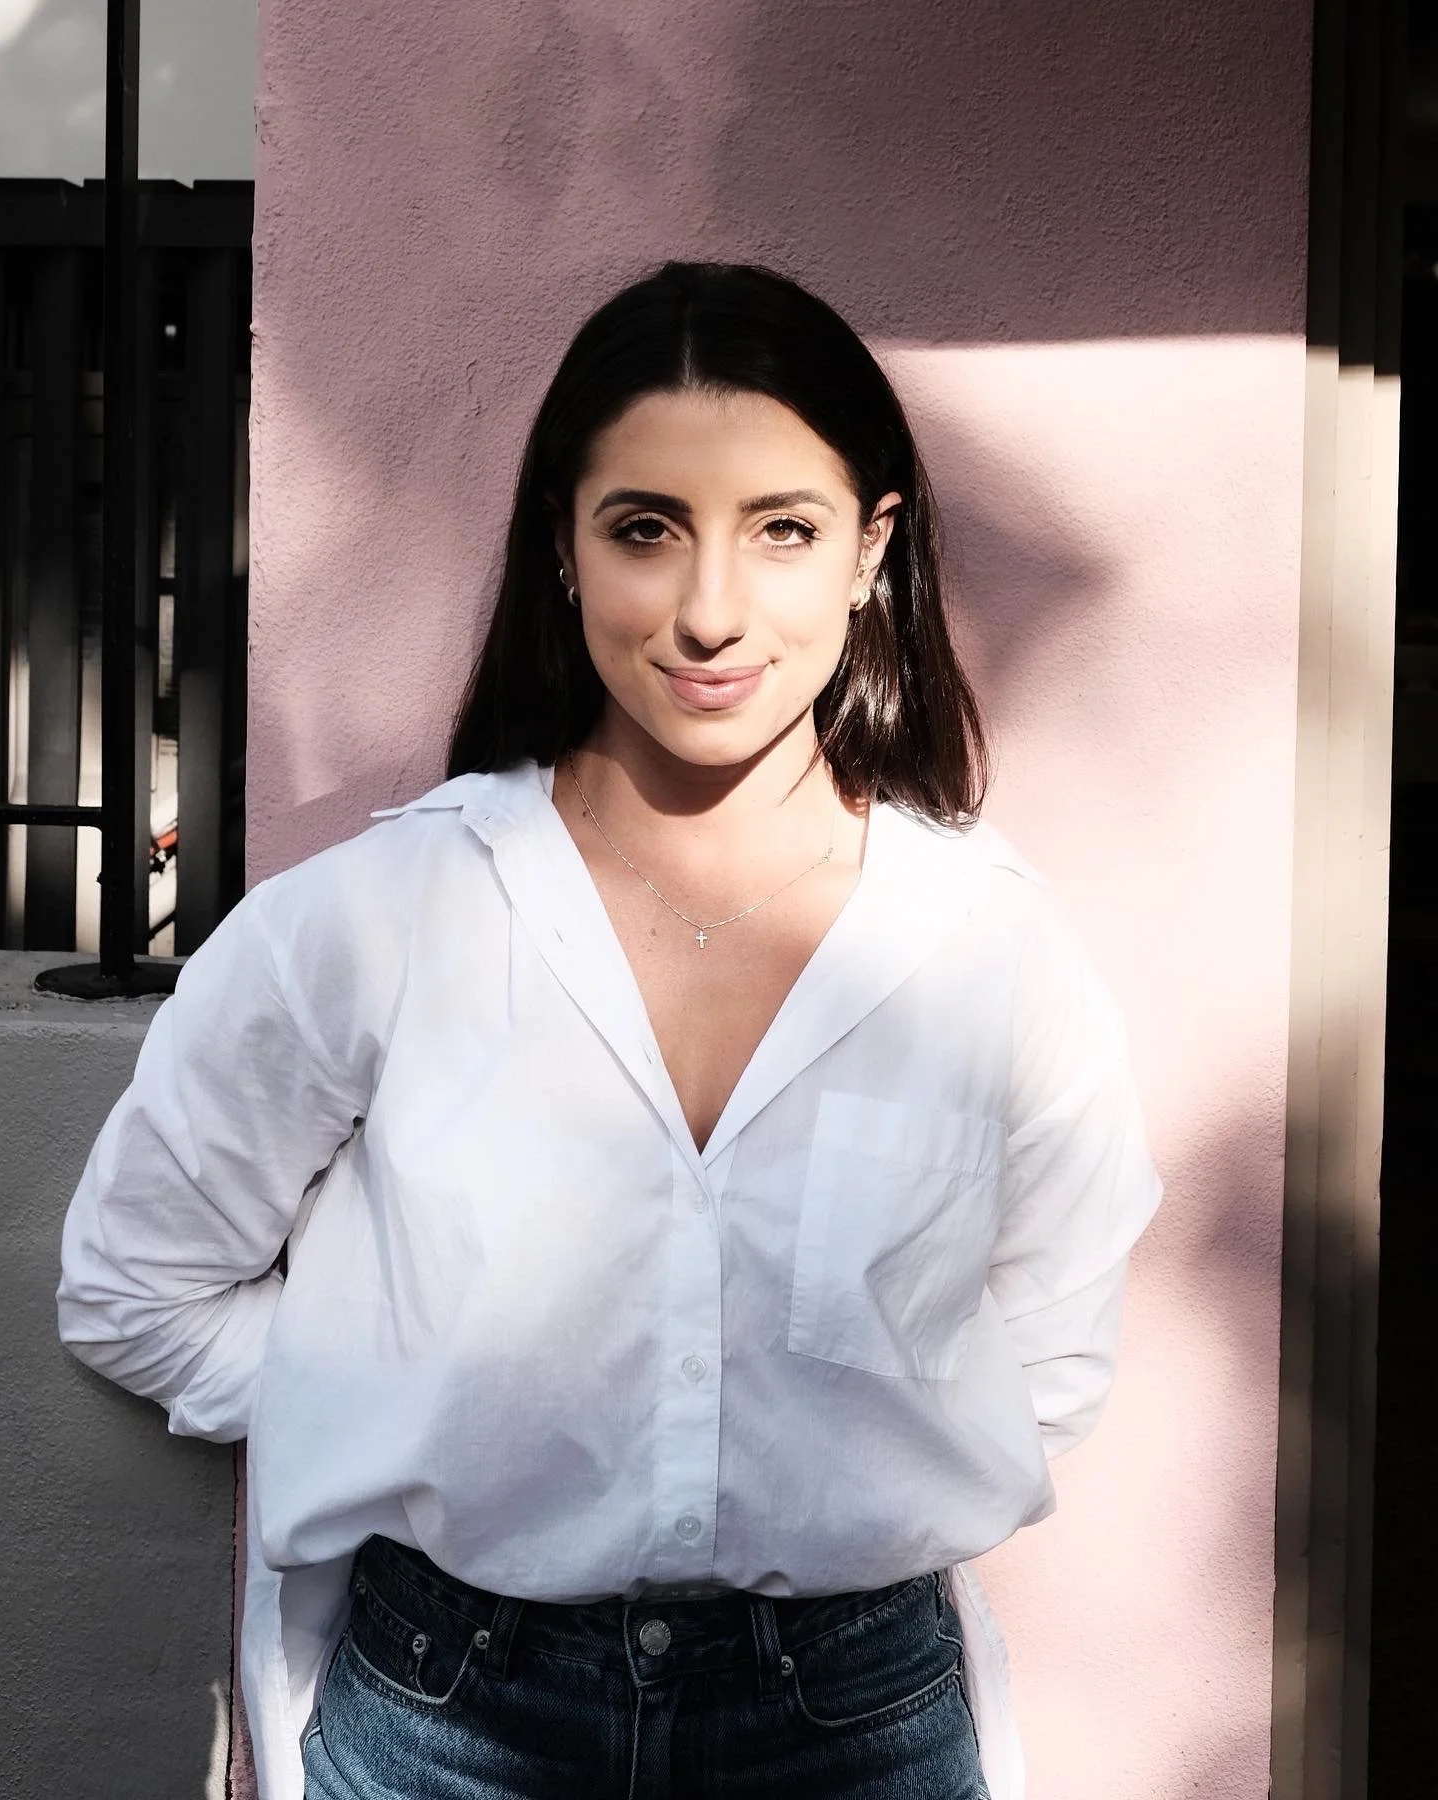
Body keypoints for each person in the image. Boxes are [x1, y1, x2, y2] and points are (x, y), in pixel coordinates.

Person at [57, 262, 1162, 1800]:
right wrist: (413, 1408)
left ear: (871, 549)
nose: (710, 611)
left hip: (854, 1725)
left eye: (782, 529)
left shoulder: (989, 956)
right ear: (562, 551)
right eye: (645, 528)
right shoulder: (375, 925)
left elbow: (1047, 1361)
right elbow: (137, 1287)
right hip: (447, 1720)